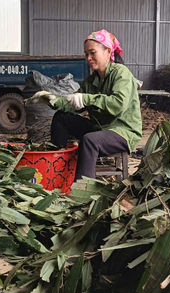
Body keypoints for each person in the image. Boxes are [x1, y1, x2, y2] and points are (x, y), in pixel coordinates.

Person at [31, 29, 142, 180]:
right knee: (61, 117)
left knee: (90, 140)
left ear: (108, 51)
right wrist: (54, 100)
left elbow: (117, 104)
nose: (88, 58)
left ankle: (81, 188)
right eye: (86, 54)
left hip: (122, 132)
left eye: (92, 53)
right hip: (100, 128)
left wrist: (87, 99)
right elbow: (76, 105)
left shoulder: (121, 74)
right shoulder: (91, 81)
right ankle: (56, 165)